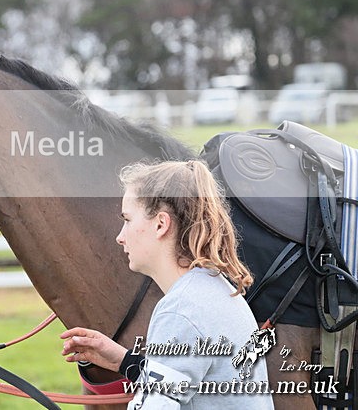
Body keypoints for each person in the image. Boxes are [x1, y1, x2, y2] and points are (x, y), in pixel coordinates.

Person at [60, 160, 273, 409]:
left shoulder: (181, 310)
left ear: (160, 224)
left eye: (127, 220)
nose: (120, 237)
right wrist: (124, 361)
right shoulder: (213, 287)